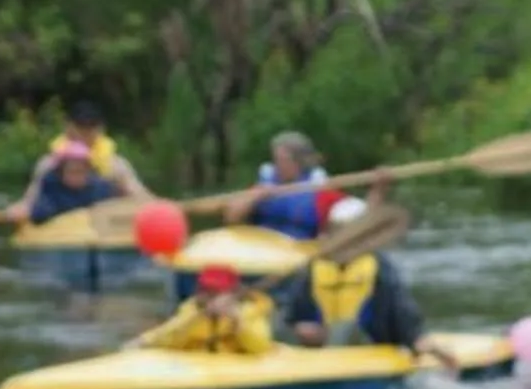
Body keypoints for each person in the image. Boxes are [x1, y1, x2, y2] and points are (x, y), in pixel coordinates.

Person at [272, 200, 430, 351]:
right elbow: (290, 319)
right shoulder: (313, 269)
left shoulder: (380, 269)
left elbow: (403, 317)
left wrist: (416, 340)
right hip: (321, 355)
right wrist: (299, 329)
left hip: (370, 351)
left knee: (346, 330)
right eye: (337, 230)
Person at [222, 131, 382, 242]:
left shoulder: (321, 192)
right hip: (260, 253)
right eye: (275, 159)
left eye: (281, 159)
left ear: (297, 162)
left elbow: (363, 221)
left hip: (296, 254)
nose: (276, 165)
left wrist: (378, 189)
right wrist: (256, 195)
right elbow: (231, 218)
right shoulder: (264, 185)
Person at [131, 263, 274, 355]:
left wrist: (237, 321)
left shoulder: (249, 312)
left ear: (232, 292)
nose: (208, 295)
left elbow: (259, 346)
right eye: (204, 289)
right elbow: (168, 334)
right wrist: (144, 340)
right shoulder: (191, 310)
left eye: (216, 291)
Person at [7, 140, 124, 226]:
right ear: (61, 173)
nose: (77, 176)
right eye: (72, 172)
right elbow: (40, 213)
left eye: (81, 172)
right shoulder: (51, 188)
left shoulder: (100, 188)